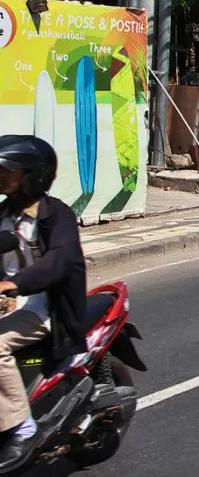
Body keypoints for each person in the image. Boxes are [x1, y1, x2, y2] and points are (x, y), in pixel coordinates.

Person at [0, 135, 86, 469]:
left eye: (9, 170)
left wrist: (13, 283)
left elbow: (59, 262)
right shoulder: (5, 214)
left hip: (42, 307)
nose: (2, 175)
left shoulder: (56, 215)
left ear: (34, 173)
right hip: (10, 303)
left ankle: (23, 429)